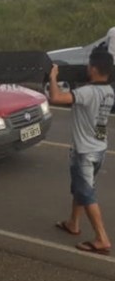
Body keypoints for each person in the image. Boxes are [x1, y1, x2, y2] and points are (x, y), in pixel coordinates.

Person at [49, 51, 115, 255]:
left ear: (93, 69)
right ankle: (73, 223)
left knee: (86, 193)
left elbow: (56, 97)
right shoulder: (109, 91)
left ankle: (101, 238)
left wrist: (53, 77)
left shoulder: (88, 92)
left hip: (85, 152)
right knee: (80, 187)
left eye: (88, 65)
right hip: (99, 148)